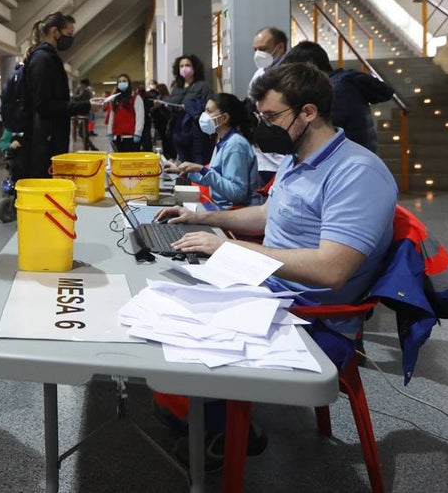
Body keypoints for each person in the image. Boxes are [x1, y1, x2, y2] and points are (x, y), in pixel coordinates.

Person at [156, 63, 398, 462]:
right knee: (170, 295)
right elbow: (269, 215)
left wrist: (234, 251)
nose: (263, 126)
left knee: (182, 335)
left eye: (271, 117)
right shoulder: (298, 157)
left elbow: (330, 270)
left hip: (312, 316)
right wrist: (204, 218)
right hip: (272, 293)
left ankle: (221, 428)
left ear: (308, 112)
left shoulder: (356, 173)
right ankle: (203, 415)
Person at [18, 12, 100, 180]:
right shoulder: (42, 59)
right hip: (43, 144)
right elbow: (44, 106)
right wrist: (86, 106)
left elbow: (54, 101)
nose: (71, 39)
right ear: (55, 32)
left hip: (49, 139)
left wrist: (84, 103)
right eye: (69, 34)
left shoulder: (49, 58)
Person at [282, 41, 397, 153]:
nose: (296, 80)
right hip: (355, 155)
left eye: (296, 72)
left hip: (350, 160)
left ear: (310, 65)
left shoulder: (336, 89)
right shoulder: (341, 84)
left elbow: (323, 131)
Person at [171, 94, 258, 209]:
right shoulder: (223, 140)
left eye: (209, 111)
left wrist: (202, 170)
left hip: (233, 211)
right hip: (219, 206)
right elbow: (214, 178)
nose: (204, 116)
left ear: (224, 117)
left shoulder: (235, 145)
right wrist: (184, 171)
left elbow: (237, 194)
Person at [248, 26, 289, 184]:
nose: (258, 54)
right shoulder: (259, 74)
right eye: (255, 49)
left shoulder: (290, 75)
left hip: (283, 157)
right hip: (261, 157)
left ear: (280, 47)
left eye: (263, 49)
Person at [165, 54, 214, 164]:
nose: (184, 68)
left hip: (196, 130)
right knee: (184, 163)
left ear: (194, 67)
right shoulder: (176, 88)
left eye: (187, 65)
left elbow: (209, 106)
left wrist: (191, 106)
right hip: (179, 131)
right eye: (181, 66)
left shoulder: (203, 86)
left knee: (198, 162)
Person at [105, 73, 145, 152]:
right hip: (118, 137)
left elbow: (140, 117)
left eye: (124, 81)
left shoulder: (136, 98)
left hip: (131, 137)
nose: (122, 83)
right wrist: (110, 132)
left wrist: (138, 133)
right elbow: (112, 115)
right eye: (119, 81)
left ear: (128, 82)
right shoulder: (116, 99)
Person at [145, 81, 175, 158]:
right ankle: (166, 154)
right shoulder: (157, 98)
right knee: (163, 139)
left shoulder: (168, 98)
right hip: (159, 121)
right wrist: (155, 107)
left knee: (167, 139)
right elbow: (152, 110)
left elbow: (170, 110)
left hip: (166, 121)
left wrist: (162, 106)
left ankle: (170, 155)